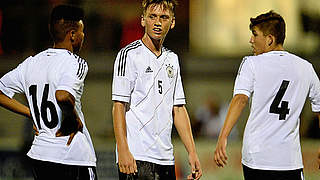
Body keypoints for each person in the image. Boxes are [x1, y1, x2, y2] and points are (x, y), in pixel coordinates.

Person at [214, 10, 320, 180]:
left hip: (257, 158)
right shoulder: (305, 67)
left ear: (270, 39)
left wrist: (223, 136)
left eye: (255, 35)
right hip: (289, 161)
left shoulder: (252, 63)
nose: (251, 40)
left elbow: (240, 99)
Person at [0, 5, 97, 180]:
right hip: (73, 156)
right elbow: (62, 95)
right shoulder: (75, 63)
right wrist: (73, 118)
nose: (84, 36)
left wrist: (32, 114)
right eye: (82, 31)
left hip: (41, 156)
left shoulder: (31, 63)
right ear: (73, 34)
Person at [112, 0, 202, 179]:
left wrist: (192, 152)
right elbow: (118, 106)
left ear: (173, 22)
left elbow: (178, 108)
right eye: (152, 17)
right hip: (136, 156)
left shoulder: (172, 59)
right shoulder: (129, 55)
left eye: (164, 17)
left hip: (166, 158)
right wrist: (123, 149)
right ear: (143, 20)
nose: (158, 22)